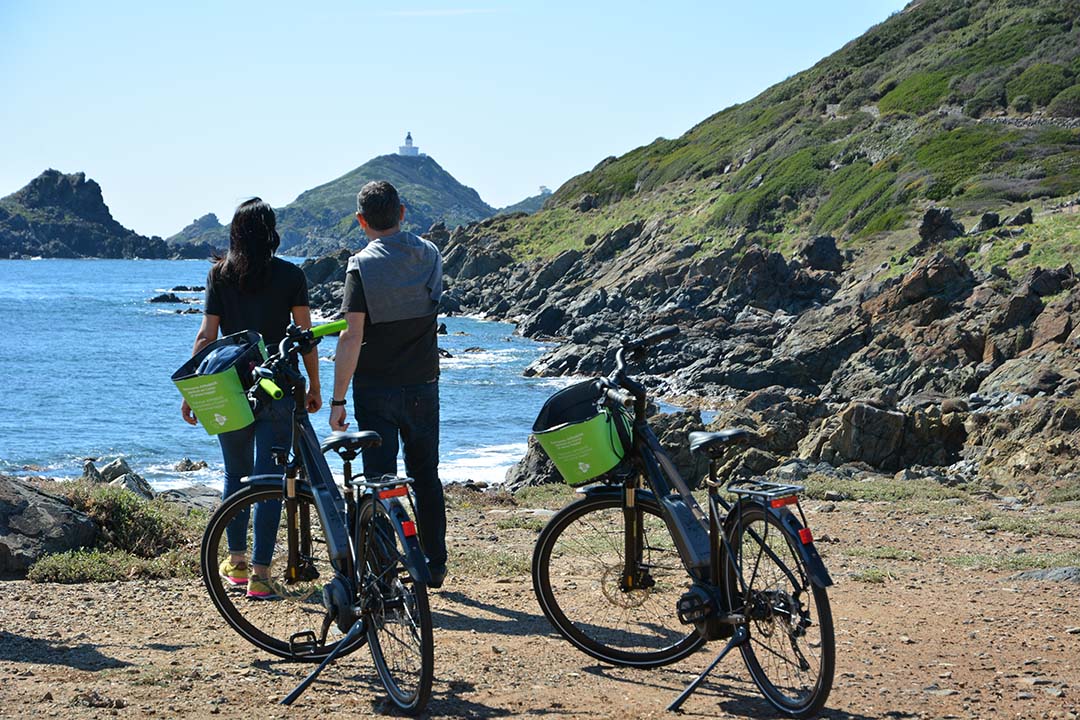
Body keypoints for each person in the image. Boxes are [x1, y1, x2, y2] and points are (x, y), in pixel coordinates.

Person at [181, 198, 321, 600]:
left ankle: (237, 564)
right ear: (272, 232)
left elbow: (207, 337)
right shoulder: (291, 275)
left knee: (235, 476)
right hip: (276, 385)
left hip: (228, 386)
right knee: (269, 480)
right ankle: (260, 575)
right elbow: (304, 337)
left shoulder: (219, 276)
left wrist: (193, 389)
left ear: (235, 234)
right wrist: (314, 386)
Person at [329, 180, 447, 589]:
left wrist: (337, 399)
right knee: (426, 475)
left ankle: (381, 570)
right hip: (423, 383)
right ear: (402, 212)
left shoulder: (361, 265)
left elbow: (351, 335)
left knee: (380, 482)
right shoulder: (430, 253)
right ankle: (434, 564)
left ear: (361, 221)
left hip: (375, 389)